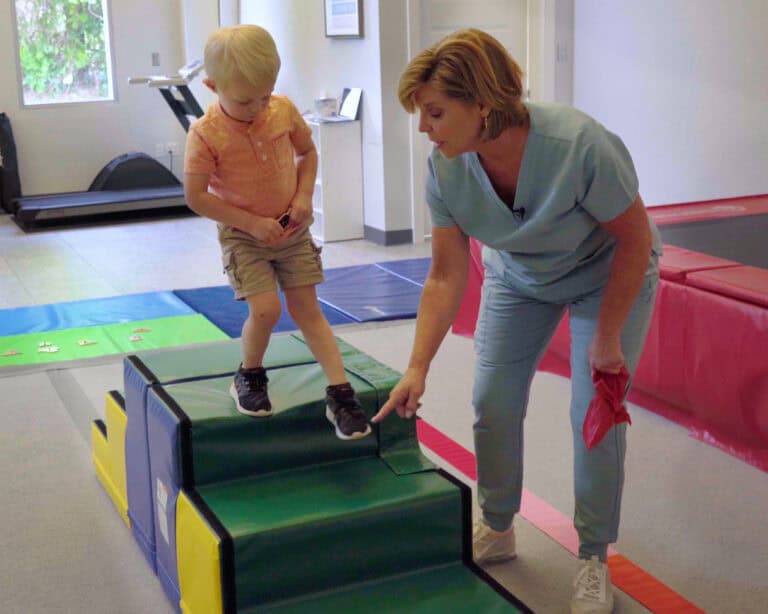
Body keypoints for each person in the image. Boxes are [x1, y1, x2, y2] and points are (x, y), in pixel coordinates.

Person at [372, 28, 661, 613]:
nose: (424, 128)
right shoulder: (446, 168)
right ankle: (498, 524)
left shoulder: (578, 145)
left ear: (483, 103)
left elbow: (635, 241)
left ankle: (592, 558)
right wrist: (417, 367)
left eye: (434, 112)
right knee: (492, 399)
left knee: (594, 414)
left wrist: (606, 338)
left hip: (605, 274)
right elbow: (446, 274)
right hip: (518, 278)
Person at [184, 25, 370, 440]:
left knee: (308, 309)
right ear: (213, 86)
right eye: (245, 100)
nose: (257, 107)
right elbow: (196, 196)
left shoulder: (282, 110)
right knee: (265, 309)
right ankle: (248, 375)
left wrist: (304, 197)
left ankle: (340, 394)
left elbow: (307, 152)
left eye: (264, 96)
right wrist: (250, 222)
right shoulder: (205, 133)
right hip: (244, 236)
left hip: (292, 227)